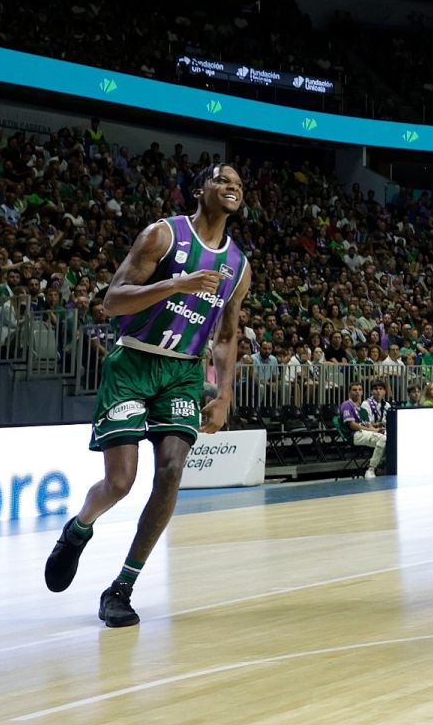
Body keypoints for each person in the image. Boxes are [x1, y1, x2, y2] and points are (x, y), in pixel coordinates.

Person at [44, 163, 252, 628]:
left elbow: (225, 335)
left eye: (238, 185)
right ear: (200, 189)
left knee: (171, 471)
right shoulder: (163, 236)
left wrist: (223, 394)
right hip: (134, 362)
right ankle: (79, 529)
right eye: (223, 181)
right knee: (120, 483)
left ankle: (122, 587)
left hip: (182, 374)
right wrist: (174, 285)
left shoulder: (238, 266)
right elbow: (112, 301)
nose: (232, 188)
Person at [338, 383, 386, 477]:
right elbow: (352, 425)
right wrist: (373, 431)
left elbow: (368, 425)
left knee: (390, 439)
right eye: (354, 390)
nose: (357, 392)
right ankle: (371, 469)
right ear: (349, 392)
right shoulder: (347, 405)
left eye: (360, 390)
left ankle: (383, 467)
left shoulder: (362, 409)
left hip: (365, 433)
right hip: (355, 435)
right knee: (383, 439)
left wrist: (377, 430)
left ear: (363, 392)